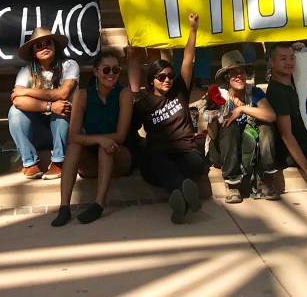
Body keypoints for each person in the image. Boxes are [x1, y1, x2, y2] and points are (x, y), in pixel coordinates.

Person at [128, 12, 206, 224]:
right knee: (155, 161)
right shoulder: (143, 104)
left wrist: (193, 30)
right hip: (158, 156)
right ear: (151, 80)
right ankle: (187, 195)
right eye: (161, 77)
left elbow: (188, 60)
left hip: (187, 153)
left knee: (186, 166)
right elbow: (130, 131)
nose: (167, 80)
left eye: (170, 76)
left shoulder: (180, 91)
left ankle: (180, 198)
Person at [51, 49, 134, 227]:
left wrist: (100, 141)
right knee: (74, 147)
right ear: (96, 72)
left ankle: (98, 203)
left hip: (119, 156)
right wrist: (98, 140)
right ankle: (64, 206)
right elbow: (73, 135)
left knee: (107, 147)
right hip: (90, 161)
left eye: (115, 70)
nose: (111, 74)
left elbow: (120, 136)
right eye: (105, 70)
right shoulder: (82, 95)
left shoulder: (124, 94)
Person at [207, 51, 279, 203]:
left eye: (242, 72)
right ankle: (232, 185)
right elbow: (213, 135)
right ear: (226, 77)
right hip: (223, 152)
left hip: (248, 150)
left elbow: (271, 115)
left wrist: (242, 109)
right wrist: (213, 115)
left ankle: (265, 180)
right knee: (229, 126)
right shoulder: (220, 96)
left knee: (266, 126)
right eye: (233, 73)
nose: (239, 76)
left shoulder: (254, 92)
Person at [8, 28, 79, 180]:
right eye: (38, 45)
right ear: (33, 52)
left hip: (65, 128)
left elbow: (63, 93)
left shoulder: (70, 65)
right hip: (38, 130)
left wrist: (27, 91)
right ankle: (29, 163)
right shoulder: (26, 71)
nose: (44, 47)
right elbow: (18, 100)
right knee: (15, 112)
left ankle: (59, 161)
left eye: (48, 43)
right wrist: (49, 106)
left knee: (62, 107)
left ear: (55, 46)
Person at [266, 43, 307, 183]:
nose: (289, 63)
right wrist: (306, 166)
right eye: (283, 59)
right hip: (296, 152)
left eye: (292, 58)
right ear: (272, 62)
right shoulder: (278, 92)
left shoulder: (296, 81)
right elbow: (286, 134)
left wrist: (301, 51)